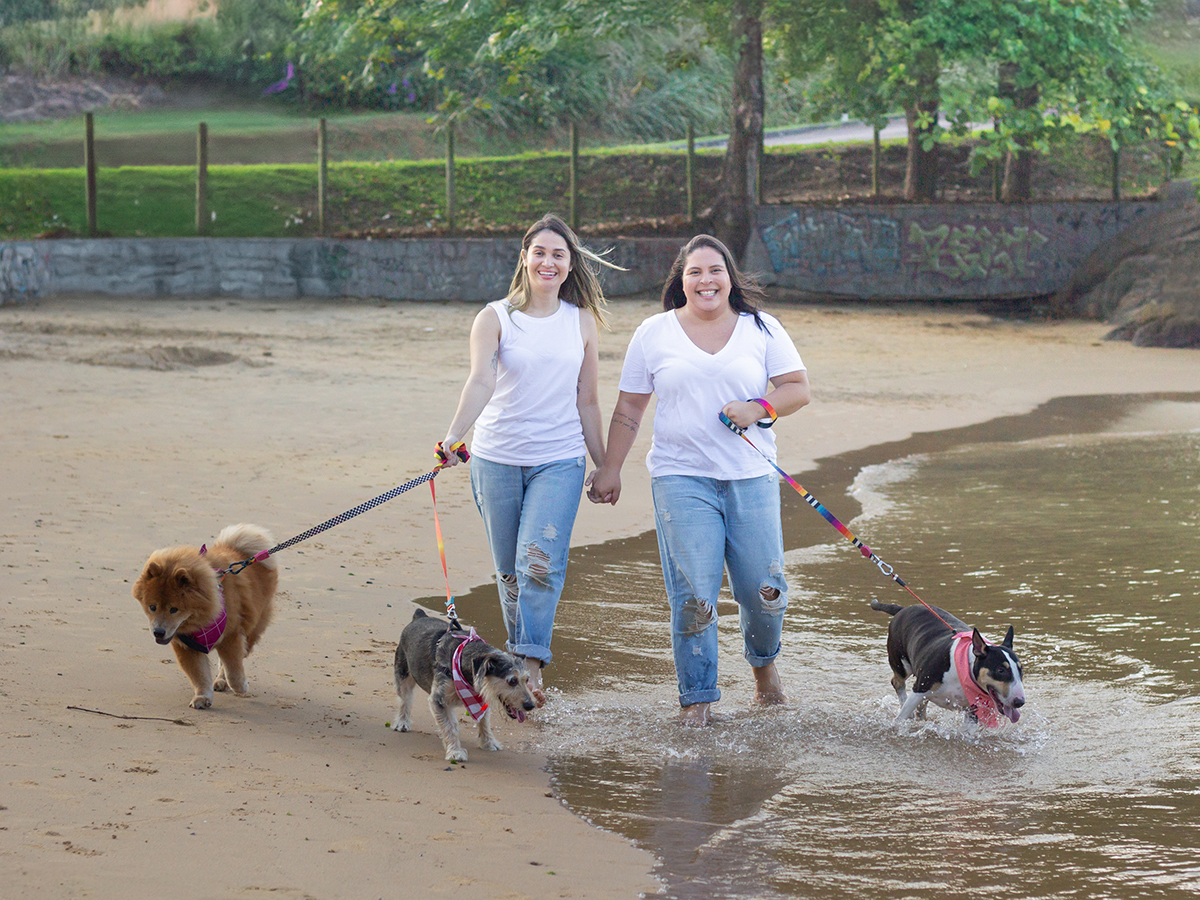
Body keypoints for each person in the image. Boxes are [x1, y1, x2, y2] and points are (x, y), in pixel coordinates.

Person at [588, 234, 810, 726]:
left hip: (750, 478)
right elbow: (629, 406)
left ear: (730, 276)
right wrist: (610, 467)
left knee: (764, 591)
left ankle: (764, 671)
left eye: (715, 270)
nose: (706, 280)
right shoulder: (653, 332)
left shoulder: (761, 328)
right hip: (679, 479)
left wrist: (758, 408)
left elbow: (798, 388)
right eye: (695, 272)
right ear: (681, 280)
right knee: (694, 595)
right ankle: (697, 701)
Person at [439, 213, 619, 706]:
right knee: (511, 572)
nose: (548, 261)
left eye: (558, 254)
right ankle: (516, 670)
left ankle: (530, 666)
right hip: (496, 458)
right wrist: (454, 436)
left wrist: (605, 465)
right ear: (525, 257)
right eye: (539, 252)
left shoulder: (580, 321)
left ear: (569, 264)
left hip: (558, 460)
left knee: (538, 563)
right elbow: (481, 381)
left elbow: (588, 399)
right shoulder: (495, 317)